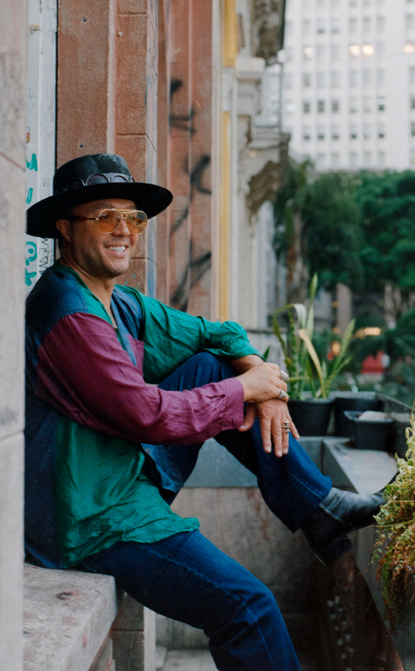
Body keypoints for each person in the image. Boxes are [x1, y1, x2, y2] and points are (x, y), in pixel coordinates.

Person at [24, 153, 382, 671]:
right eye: (105, 218)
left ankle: (317, 509)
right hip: (92, 517)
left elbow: (216, 333)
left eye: (133, 218)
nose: (124, 230)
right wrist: (244, 390)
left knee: (214, 364)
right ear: (65, 228)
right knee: (249, 608)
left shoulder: (119, 302)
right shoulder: (68, 313)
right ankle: (317, 510)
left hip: (124, 476)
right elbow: (147, 415)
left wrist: (262, 383)